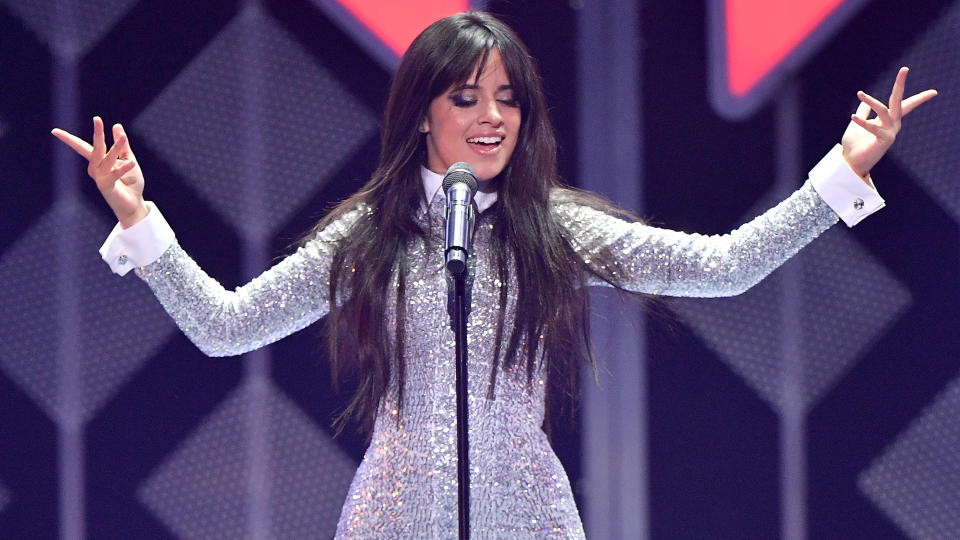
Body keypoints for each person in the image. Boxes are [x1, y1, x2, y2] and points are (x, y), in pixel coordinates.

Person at [52, 11, 936, 539]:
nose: (491, 117)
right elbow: (225, 325)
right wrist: (140, 220)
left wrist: (840, 175)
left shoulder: (549, 227)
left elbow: (726, 267)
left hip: (530, 515)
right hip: (394, 517)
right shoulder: (373, 234)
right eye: (466, 97)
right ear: (422, 111)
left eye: (508, 98)